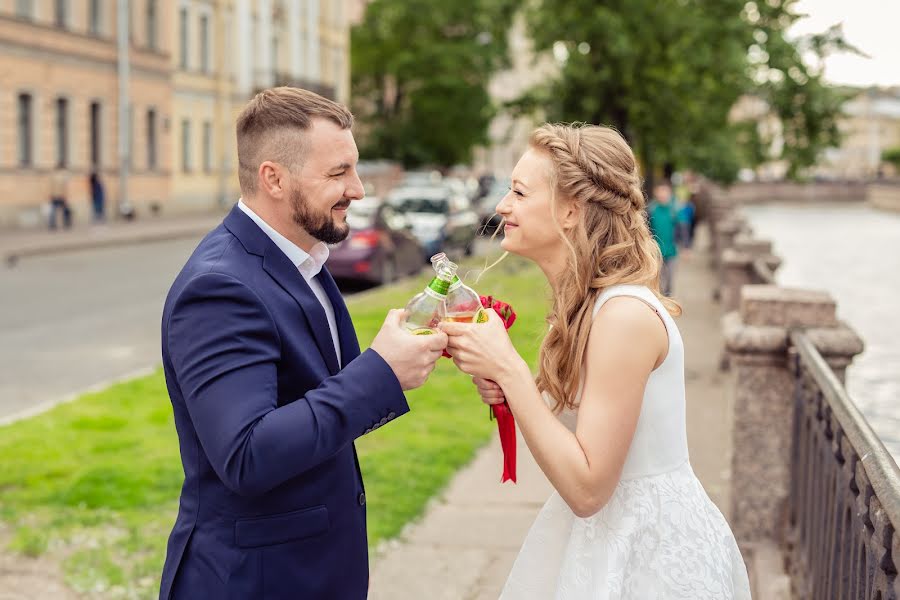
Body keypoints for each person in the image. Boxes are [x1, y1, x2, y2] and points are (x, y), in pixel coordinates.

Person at [158, 87, 448, 599]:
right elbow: (246, 454)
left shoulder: (305, 259)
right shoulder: (219, 286)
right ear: (274, 177)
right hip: (253, 582)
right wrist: (381, 371)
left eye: (353, 170)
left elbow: (318, 394)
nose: (357, 190)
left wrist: (403, 356)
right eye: (338, 173)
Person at [440, 123, 750, 599]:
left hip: (647, 553)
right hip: (600, 535)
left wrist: (510, 370)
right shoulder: (581, 306)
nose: (502, 207)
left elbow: (588, 489)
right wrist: (510, 391)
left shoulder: (622, 315)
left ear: (570, 211)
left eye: (519, 192)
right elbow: (571, 437)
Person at [648, 180, 678, 295]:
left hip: (671, 251)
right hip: (656, 251)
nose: (663, 195)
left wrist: (686, 246)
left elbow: (682, 228)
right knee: (657, 280)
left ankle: (668, 299)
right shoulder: (651, 209)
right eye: (660, 192)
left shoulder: (674, 210)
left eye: (665, 192)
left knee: (670, 279)